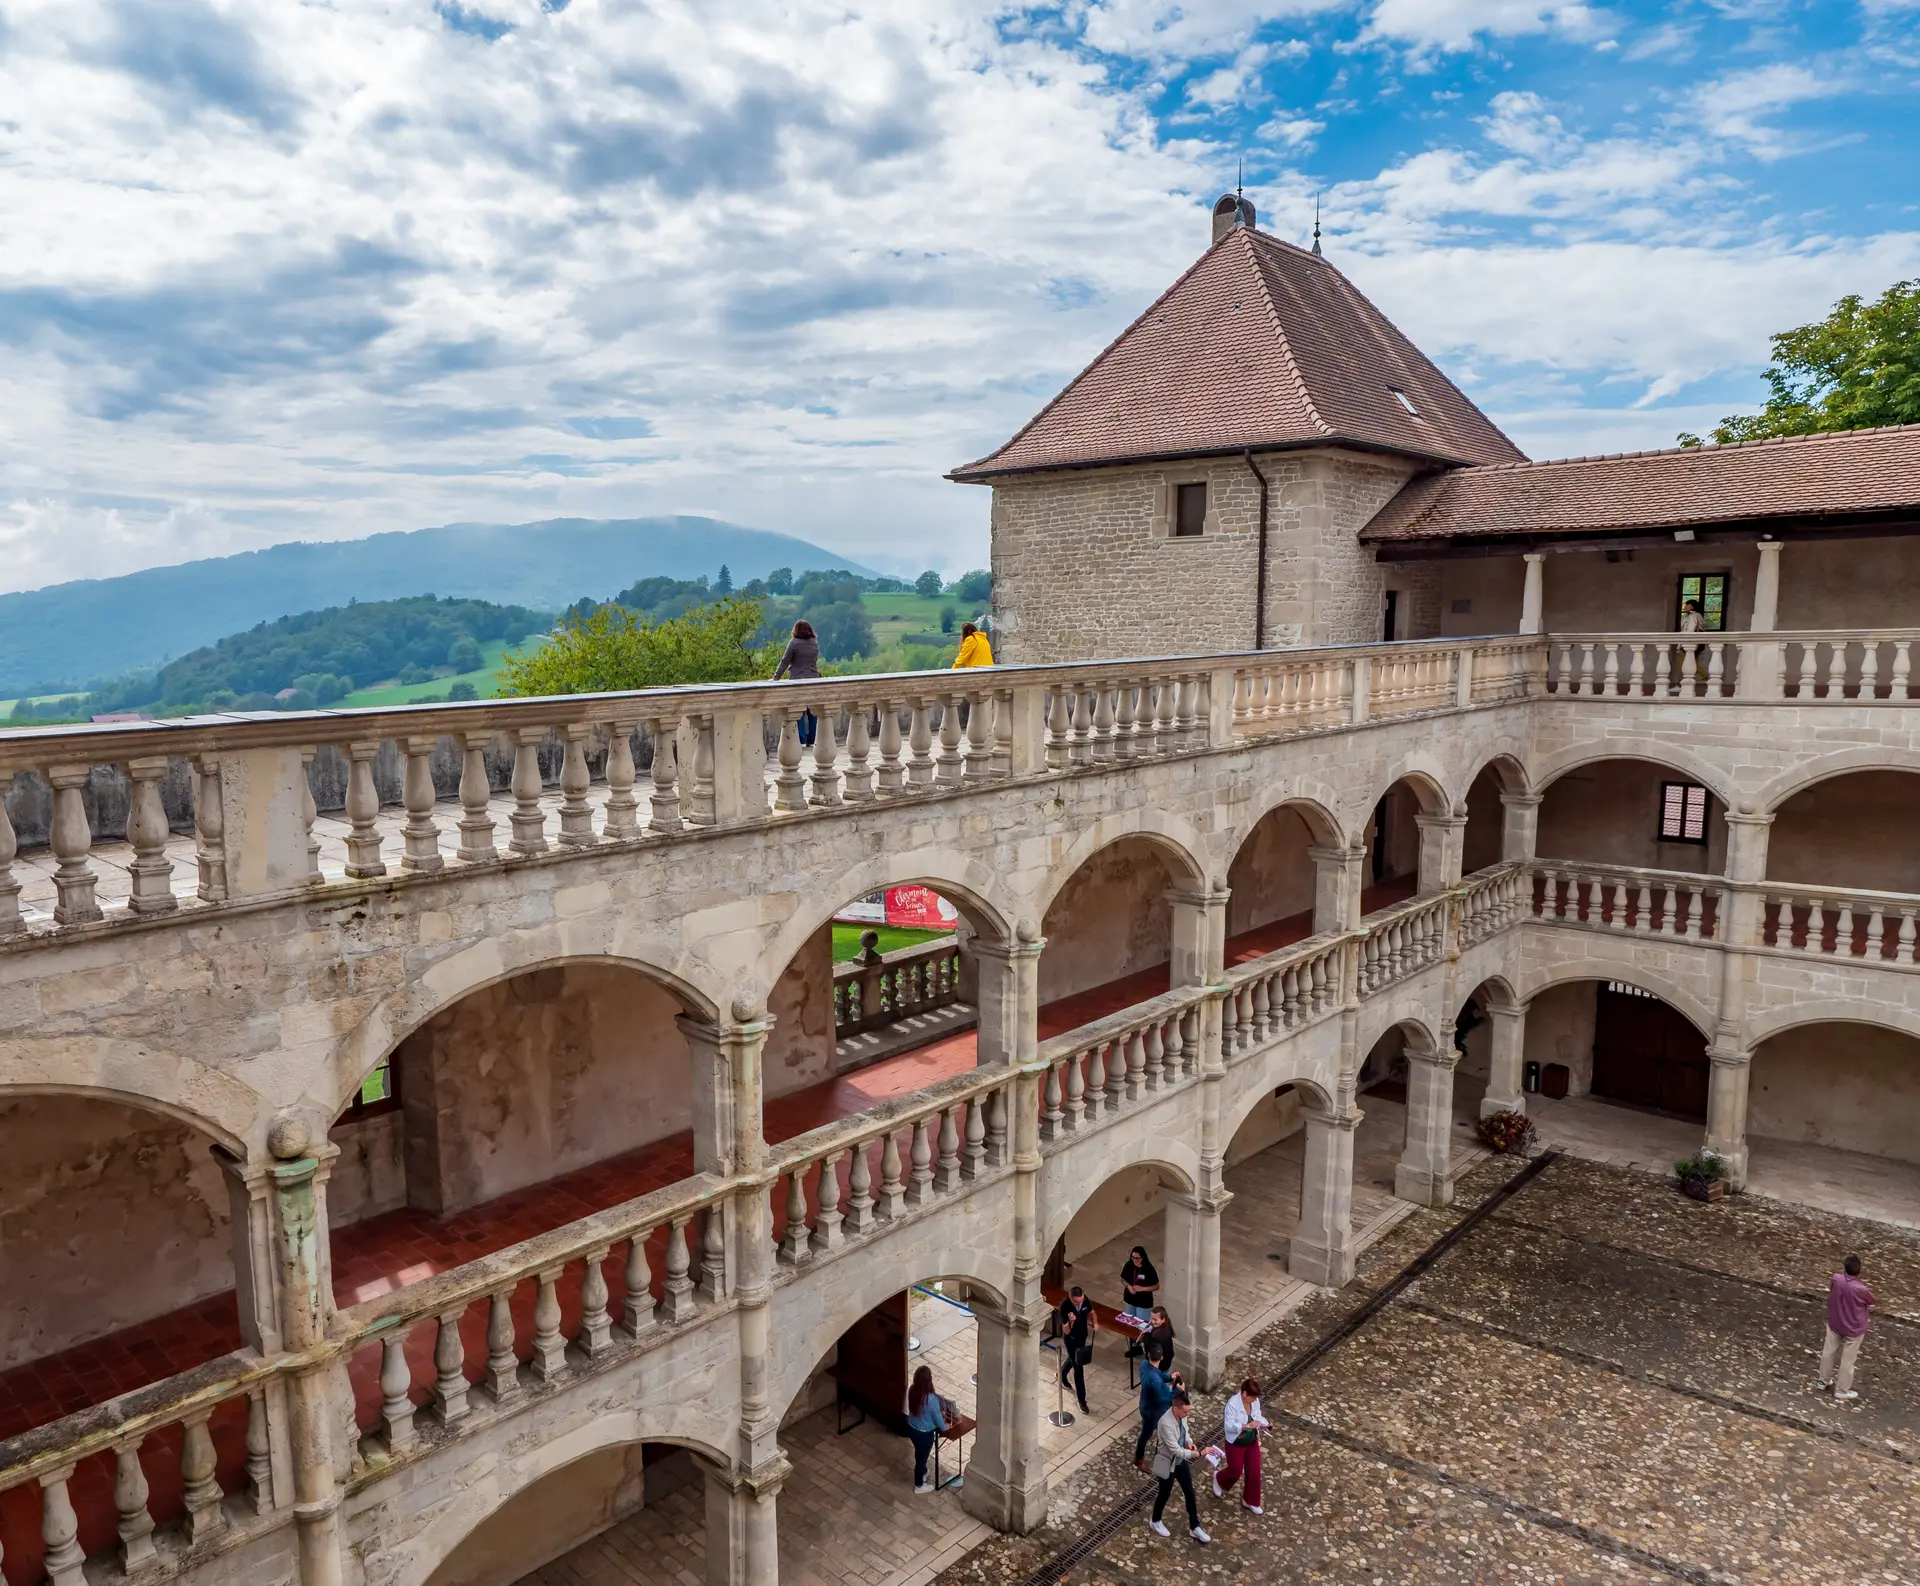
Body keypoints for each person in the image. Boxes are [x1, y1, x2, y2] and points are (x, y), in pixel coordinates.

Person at [1146, 1391, 1212, 1543]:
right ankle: (1155, 1520)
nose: (1188, 1414)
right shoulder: (1165, 1423)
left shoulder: (1181, 1416)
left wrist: (1189, 1441)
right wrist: (1199, 1453)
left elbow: (1185, 1431)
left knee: (1189, 1491)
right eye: (1186, 1411)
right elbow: (1176, 1450)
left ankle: (1194, 1526)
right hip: (1168, 1463)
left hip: (1179, 1463)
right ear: (1176, 1409)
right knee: (1164, 1493)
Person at [1817, 1253, 1875, 1401]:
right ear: (1859, 1271)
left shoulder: (1836, 1279)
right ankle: (1842, 1389)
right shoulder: (1861, 1289)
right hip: (1854, 1327)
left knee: (1828, 1352)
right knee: (1848, 1360)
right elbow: (1871, 1301)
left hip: (1836, 1321)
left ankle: (1822, 1380)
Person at [1214, 1377, 1269, 1513]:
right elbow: (1229, 1427)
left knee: (1254, 1472)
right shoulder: (1232, 1404)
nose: (1255, 1401)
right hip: (1236, 1443)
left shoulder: (1254, 1402)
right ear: (1245, 1394)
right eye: (1252, 1397)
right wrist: (1246, 1426)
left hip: (1251, 1441)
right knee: (1235, 1471)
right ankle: (1218, 1478)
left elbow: (1258, 1416)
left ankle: (1250, 1501)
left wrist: (1265, 1424)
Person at [773, 619, 820, 747]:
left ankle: (802, 739)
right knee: (813, 711)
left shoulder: (793, 643)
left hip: (798, 680)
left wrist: (775, 678)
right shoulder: (814, 643)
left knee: (798, 710)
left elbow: (785, 661)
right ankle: (813, 738)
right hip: (814, 679)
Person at [904, 1363, 949, 1493]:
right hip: (924, 1434)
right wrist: (944, 1427)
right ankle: (919, 1485)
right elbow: (938, 1419)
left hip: (911, 1427)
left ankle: (923, 1471)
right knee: (921, 1458)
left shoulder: (912, 1390)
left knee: (919, 1454)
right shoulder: (931, 1399)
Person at [1057, 1285, 1096, 1414]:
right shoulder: (1064, 1306)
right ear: (1070, 1298)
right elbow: (1066, 1330)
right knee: (1078, 1367)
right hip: (1071, 1339)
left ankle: (1061, 1373)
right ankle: (1082, 1400)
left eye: (1081, 1300)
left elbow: (1091, 1312)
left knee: (1074, 1358)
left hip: (1082, 1336)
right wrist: (1071, 1321)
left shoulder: (1085, 1300)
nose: (1079, 1303)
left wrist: (1094, 1323)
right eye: (1076, 1302)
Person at [1134, 1347, 1174, 1470]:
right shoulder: (1154, 1380)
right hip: (1152, 1411)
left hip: (1146, 1405)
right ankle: (1139, 1459)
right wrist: (1177, 1390)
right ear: (1162, 1358)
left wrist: (1169, 1377)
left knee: (1152, 1432)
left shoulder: (1145, 1364)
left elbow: (1160, 1374)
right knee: (1148, 1433)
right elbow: (1164, 1398)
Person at [1120, 1246, 1159, 1357]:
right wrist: (1128, 1286)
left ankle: (1146, 1348)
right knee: (1131, 1324)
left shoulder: (1149, 1269)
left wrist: (1143, 1289)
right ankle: (1134, 1348)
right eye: (1133, 1258)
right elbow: (1123, 1279)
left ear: (1143, 1257)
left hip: (1143, 1302)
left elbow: (1156, 1286)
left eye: (1137, 1258)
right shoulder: (1129, 1265)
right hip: (1130, 1299)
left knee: (1143, 1326)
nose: (1135, 1260)